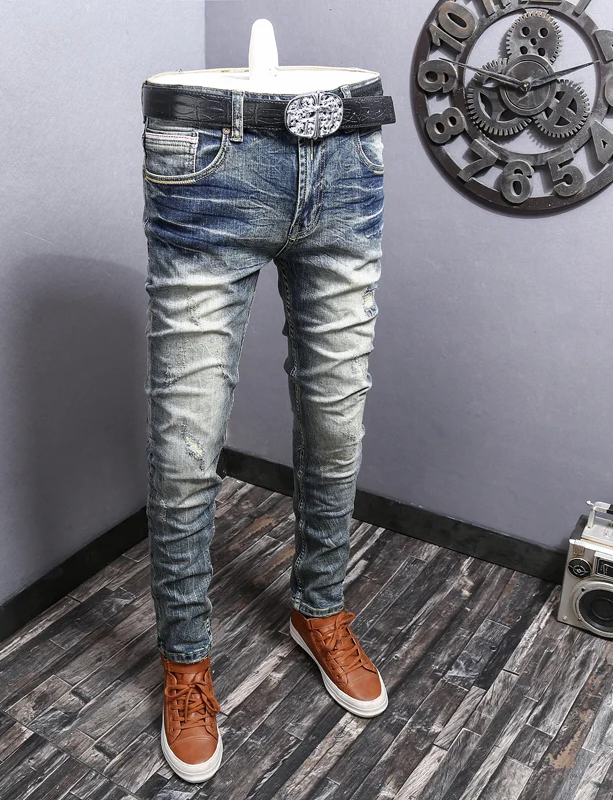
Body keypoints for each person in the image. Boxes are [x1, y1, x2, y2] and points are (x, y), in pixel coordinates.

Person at [141, 58, 396, 783]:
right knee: (186, 447)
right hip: (207, 161)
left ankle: (320, 612)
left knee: (336, 426)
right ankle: (185, 665)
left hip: (346, 161)